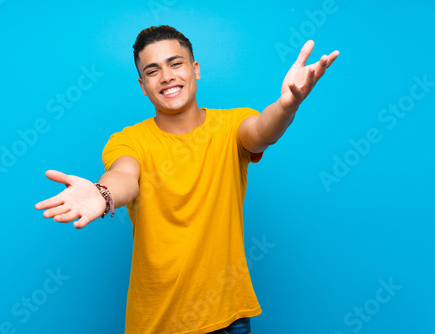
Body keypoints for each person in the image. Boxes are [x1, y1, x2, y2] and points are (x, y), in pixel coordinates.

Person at [35, 25, 338, 334]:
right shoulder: (128, 141)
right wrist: (103, 194)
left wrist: (287, 106)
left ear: (195, 69)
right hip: (155, 322)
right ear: (143, 85)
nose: (166, 76)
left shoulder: (232, 126)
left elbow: (261, 132)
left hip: (227, 318)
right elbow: (124, 176)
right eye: (152, 71)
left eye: (175, 63)